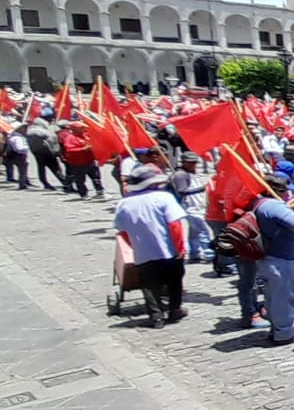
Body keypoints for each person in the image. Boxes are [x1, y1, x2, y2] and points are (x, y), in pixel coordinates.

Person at [112, 165, 188, 329]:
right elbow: (175, 225)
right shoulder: (164, 198)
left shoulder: (123, 204)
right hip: (168, 250)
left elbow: (123, 232)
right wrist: (180, 248)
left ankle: (156, 317)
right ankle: (174, 309)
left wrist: (135, 246)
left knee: (149, 285)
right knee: (175, 280)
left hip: (143, 252)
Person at [257, 174, 294, 345]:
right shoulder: (273, 205)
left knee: (273, 296)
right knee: (283, 297)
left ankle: (277, 328)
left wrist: (287, 207)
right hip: (282, 258)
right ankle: (285, 332)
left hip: (271, 257)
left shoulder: (263, 204)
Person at [168, 153, 211, 264]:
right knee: (203, 231)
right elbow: (181, 191)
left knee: (194, 232)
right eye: (191, 163)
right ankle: (210, 254)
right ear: (184, 162)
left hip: (195, 206)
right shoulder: (180, 175)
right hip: (189, 207)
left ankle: (194, 253)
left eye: (195, 162)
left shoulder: (189, 173)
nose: (194, 165)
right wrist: (202, 189)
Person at [57, 122, 104, 198]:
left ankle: (100, 192)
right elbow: (69, 150)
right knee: (80, 180)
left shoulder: (85, 136)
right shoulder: (70, 138)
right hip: (78, 163)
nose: (84, 129)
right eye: (81, 128)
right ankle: (83, 194)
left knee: (96, 177)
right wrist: (83, 149)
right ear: (74, 129)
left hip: (90, 161)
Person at [25, 116, 63, 190]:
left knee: (41, 168)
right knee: (55, 167)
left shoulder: (29, 131)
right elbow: (52, 140)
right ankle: (64, 182)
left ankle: (45, 182)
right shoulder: (43, 131)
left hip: (36, 152)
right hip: (47, 151)